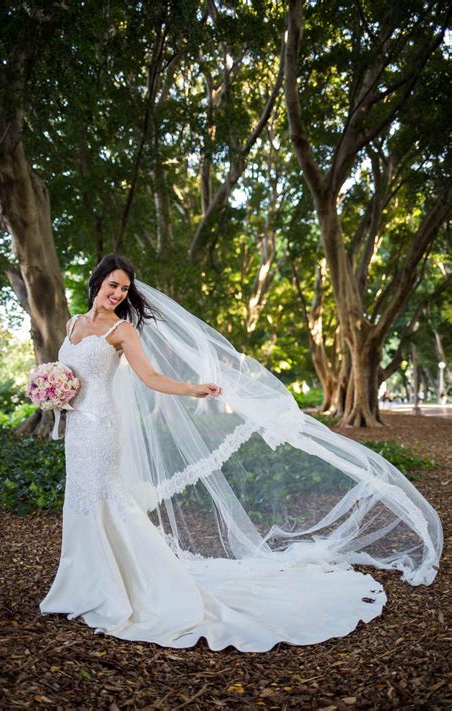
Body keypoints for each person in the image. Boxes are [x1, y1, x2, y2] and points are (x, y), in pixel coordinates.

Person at [39, 255, 442, 652]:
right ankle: (83, 582)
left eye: (124, 289)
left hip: (104, 429)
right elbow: (69, 372)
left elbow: (151, 377)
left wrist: (193, 388)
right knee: (82, 501)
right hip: (77, 428)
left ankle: (136, 585)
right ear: (98, 282)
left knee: (108, 499)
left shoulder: (123, 330)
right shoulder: (74, 323)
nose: (118, 293)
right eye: (113, 285)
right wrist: (53, 390)